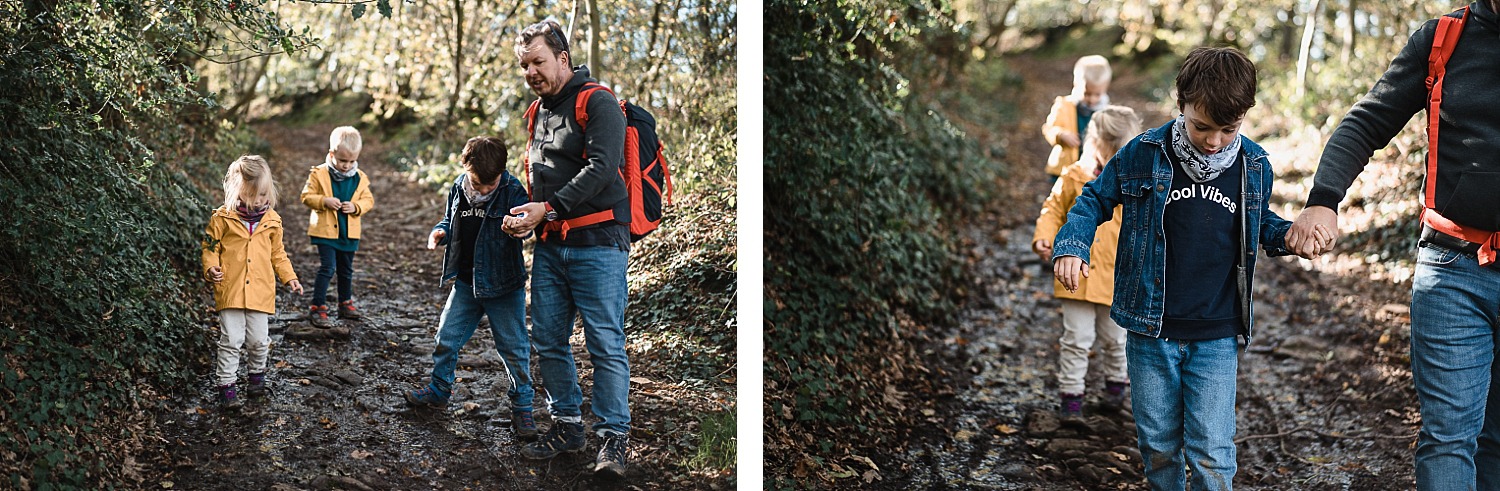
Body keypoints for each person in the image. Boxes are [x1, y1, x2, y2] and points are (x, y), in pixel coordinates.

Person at [1052, 47, 1319, 490]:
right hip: (1150, 329)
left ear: (1245, 117)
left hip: (1216, 332)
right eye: (1202, 126)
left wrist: (1289, 236)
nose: (1214, 141)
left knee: (1212, 452)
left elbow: (1258, 223)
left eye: (1228, 129)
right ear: (1181, 105)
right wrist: (1073, 245)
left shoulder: (1253, 165)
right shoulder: (1143, 154)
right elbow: (1092, 199)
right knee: (1158, 446)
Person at [1286, 2, 1500, 488]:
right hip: (1454, 270)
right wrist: (1323, 199)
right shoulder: (1443, 40)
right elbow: (1367, 121)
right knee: (1449, 437)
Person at [501, 19, 633, 478]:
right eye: (524, 66)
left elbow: (603, 168)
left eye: (538, 61)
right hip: (552, 246)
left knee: (604, 341)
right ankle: (568, 425)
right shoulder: (538, 111)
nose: (531, 72)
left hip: (599, 242)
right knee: (549, 339)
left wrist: (549, 208)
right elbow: (540, 176)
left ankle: (613, 440)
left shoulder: (597, 101)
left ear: (562, 58)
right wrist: (526, 216)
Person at [405, 136, 537, 442]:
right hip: (467, 283)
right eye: (479, 183)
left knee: (514, 349)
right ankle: (439, 389)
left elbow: (528, 226)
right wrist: (441, 231)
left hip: (504, 284)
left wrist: (519, 229)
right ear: (466, 169)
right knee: (446, 337)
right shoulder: (459, 188)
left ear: (502, 173)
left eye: (491, 184)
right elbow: (450, 220)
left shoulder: (512, 190)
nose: (484, 189)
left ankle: (523, 406)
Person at [1032, 105, 1140, 418]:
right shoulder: (1073, 176)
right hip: (1074, 276)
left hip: (1115, 277)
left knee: (1115, 339)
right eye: (1110, 156)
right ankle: (1071, 398)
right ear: (1093, 145)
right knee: (1076, 339)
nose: (1115, 165)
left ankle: (1115, 388)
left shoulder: (1136, 184)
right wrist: (1045, 236)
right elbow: (1053, 209)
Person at [202, 155, 303, 409]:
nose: (260, 201)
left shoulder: (272, 221)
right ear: (238, 191)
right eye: (253, 195)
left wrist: (289, 277)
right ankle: (226, 386)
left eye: (264, 194)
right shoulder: (222, 218)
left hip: (260, 290)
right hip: (230, 288)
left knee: (259, 340)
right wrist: (211, 267)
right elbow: (210, 248)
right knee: (231, 340)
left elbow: (278, 254)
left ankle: (256, 376)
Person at [299, 126, 375, 327]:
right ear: (332, 154)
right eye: (342, 161)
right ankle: (317, 306)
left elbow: (368, 200)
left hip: (348, 232)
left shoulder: (359, 177)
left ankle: (345, 302)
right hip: (325, 231)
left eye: (351, 161)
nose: (346, 166)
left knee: (346, 269)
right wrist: (324, 201)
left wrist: (356, 206)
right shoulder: (319, 174)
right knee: (327, 267)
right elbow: (306, 196)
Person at [1042, 55, 1112, 185]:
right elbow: (1048, 128)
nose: (1092, 99)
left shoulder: (1107, 112)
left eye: (1097, 94)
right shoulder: (1064, 105)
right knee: (1060, 202)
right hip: (1064, 169)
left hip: (1091, 172)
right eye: (1087, 93)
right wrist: (1060, 134)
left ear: (1105, 89)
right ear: (1076, 85)